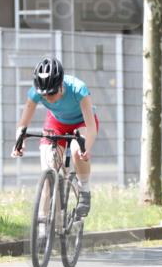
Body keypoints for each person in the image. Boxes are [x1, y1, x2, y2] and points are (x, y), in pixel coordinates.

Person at [12, 56, 98, 218]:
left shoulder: (78, 89)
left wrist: (86, 148)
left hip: (82, 123)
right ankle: (45, 227)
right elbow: (23, 124)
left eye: (51, 94)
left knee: (76, 150)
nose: (47, 98)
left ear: (60, 86)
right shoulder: (36, 92)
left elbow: (91, 126)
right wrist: (19, 141)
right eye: (43, 95)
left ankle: (84, 189)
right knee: (48, 169)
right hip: (56, 122)